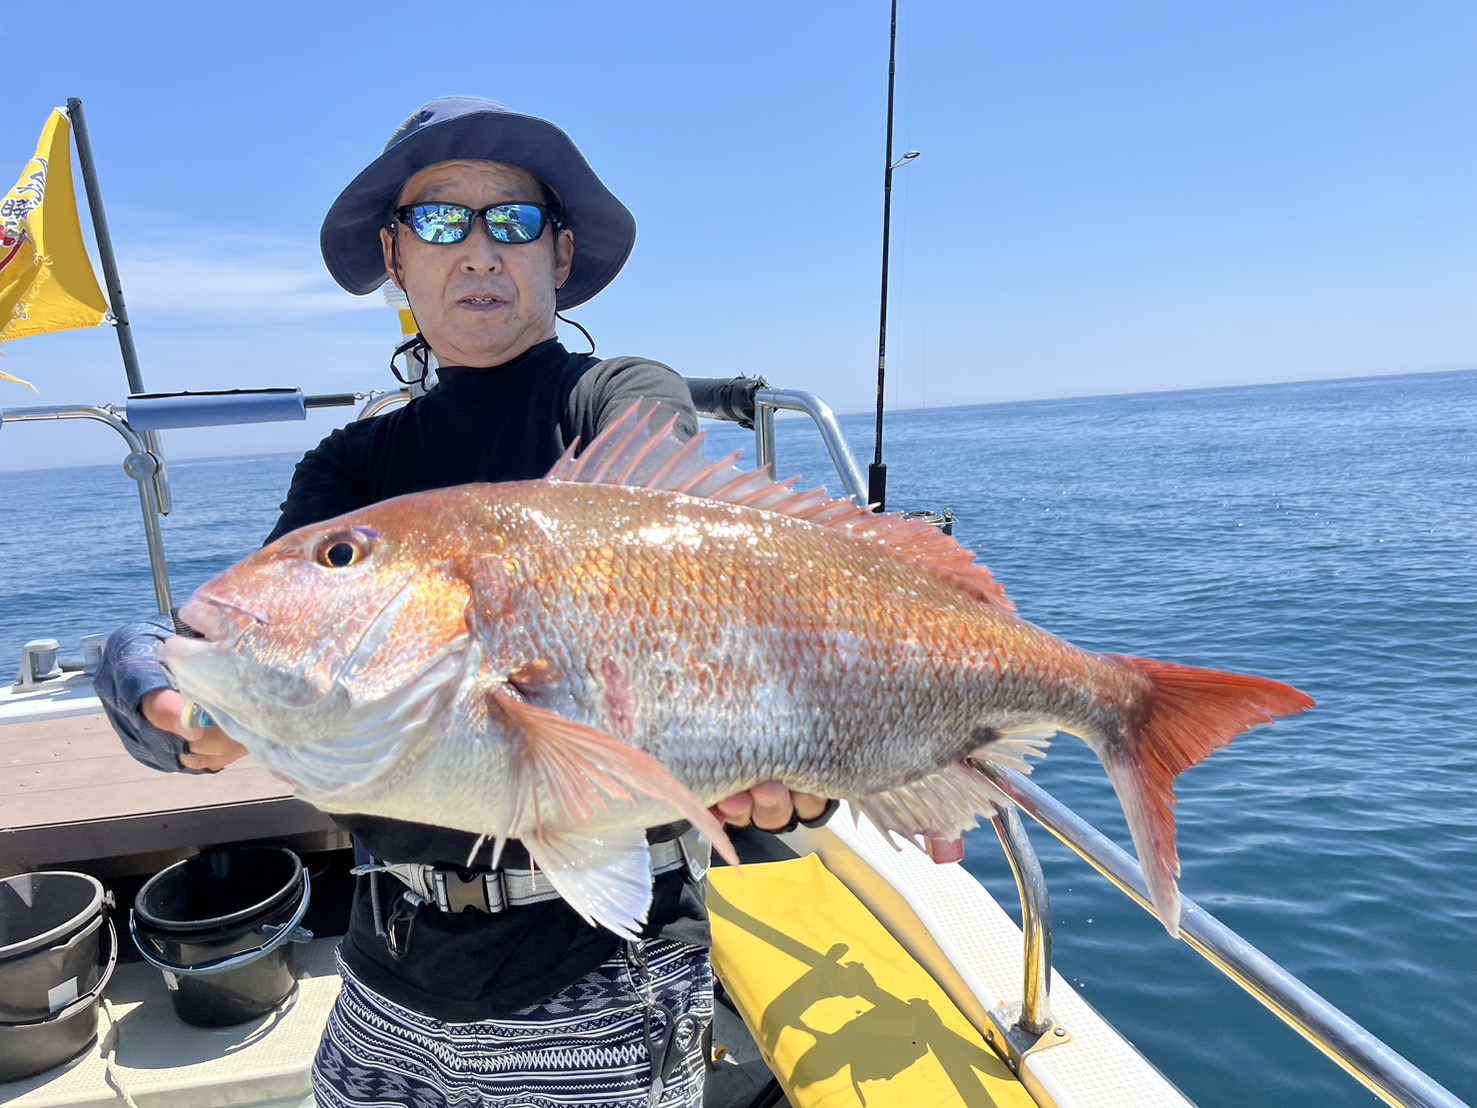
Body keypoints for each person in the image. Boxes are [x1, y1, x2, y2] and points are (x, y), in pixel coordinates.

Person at [94, 96, 831, 1108]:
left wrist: (806, 755)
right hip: (387, 960)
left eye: (512, 220)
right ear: (395, 259)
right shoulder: (352, 464)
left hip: (595, 972)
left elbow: (664, 572)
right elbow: (218, 632)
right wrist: (164, 700)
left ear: (559, 254)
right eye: (440, 221)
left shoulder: (614, 401)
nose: (479, 249)